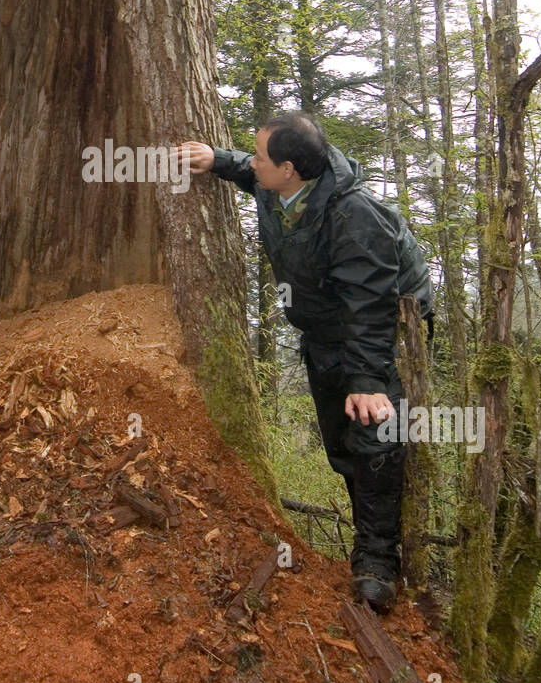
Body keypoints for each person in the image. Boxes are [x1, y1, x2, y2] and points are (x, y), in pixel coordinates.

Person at [176, 112, 433, 614]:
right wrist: (218, 160)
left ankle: (377, 563)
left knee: (374, 439)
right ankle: (368, 536)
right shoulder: (284, 185)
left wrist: (367, 379)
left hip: (381, 337)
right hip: (323, 332)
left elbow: (370, 302)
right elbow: (252, 174)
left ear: (290, 168)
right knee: (340, 440)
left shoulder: (354, 216)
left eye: (259, 156)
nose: (252, 163)